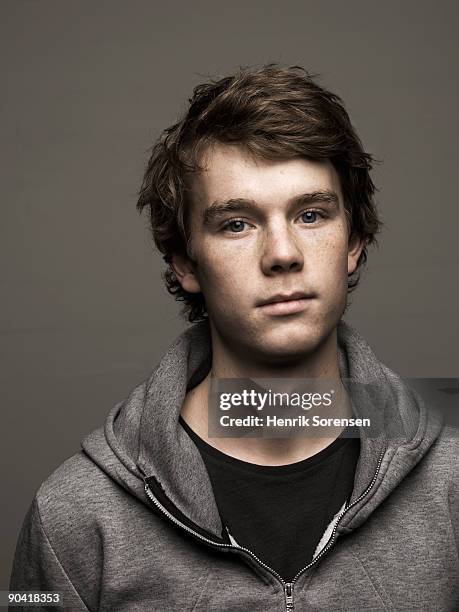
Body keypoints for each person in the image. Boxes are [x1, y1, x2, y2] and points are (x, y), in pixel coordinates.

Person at [10, 64, 458, 611]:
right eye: (237, 224)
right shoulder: (74, 517)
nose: (283, 254)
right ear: (184, 262)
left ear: (354, 241)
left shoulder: (451, 479)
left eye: (311, 215)